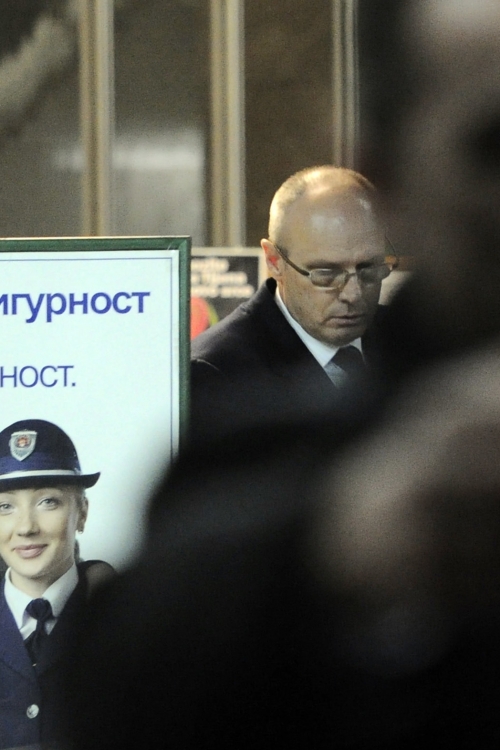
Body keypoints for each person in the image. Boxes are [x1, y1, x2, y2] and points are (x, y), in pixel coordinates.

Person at [67, 1, 500, 748]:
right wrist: (333, 550)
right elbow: (123, 677)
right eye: (492, 149)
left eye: (363, 272)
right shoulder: (264, 428)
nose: (348, 292)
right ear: (392, 177)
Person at [190, 165, 397, 442]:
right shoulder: (218, 374)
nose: (353, 294)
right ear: (274, 261)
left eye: (368, 269)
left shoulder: (414, 340)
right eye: (326, 274)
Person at [0, 418, 112, 750]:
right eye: (5, 506)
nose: (26, 527)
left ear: (82, 513)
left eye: (48, 501)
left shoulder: (126, 620)